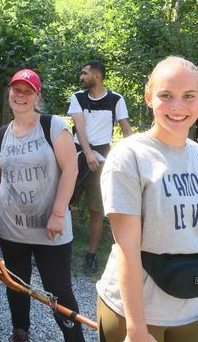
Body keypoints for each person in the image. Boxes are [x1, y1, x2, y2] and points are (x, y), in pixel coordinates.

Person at [96, 56, 198, 341]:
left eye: (188, 96)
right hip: (136, 312)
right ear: (149, 98)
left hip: (190, 307)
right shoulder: (129, 156)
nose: (177, 107)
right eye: (166, 96)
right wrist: (136, 328)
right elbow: (127, 247)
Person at [0, 69, 84, 342]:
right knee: (17, 285)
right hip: (10, 227)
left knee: (59, 291)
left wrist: (57, 214)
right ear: (9, 93)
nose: (20, 95)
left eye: (27, 91)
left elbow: (71, 170)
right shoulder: (2, 134)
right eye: (16, 90)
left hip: (50, 228)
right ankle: (20, 333)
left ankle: (75, 339)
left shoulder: (52, 126)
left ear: (37, 96)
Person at [67, 60, 133, 274]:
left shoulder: (116, 100)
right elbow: (80, 127)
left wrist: (133, 158)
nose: (81, 77)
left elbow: (126, 130)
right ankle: (59, 249)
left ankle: (91, 256)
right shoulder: (77, 98)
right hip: (76, 160)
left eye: (84, 73)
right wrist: (87, 154)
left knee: (97, 210)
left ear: (97, 76)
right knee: (63, 204)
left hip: (102, 164)